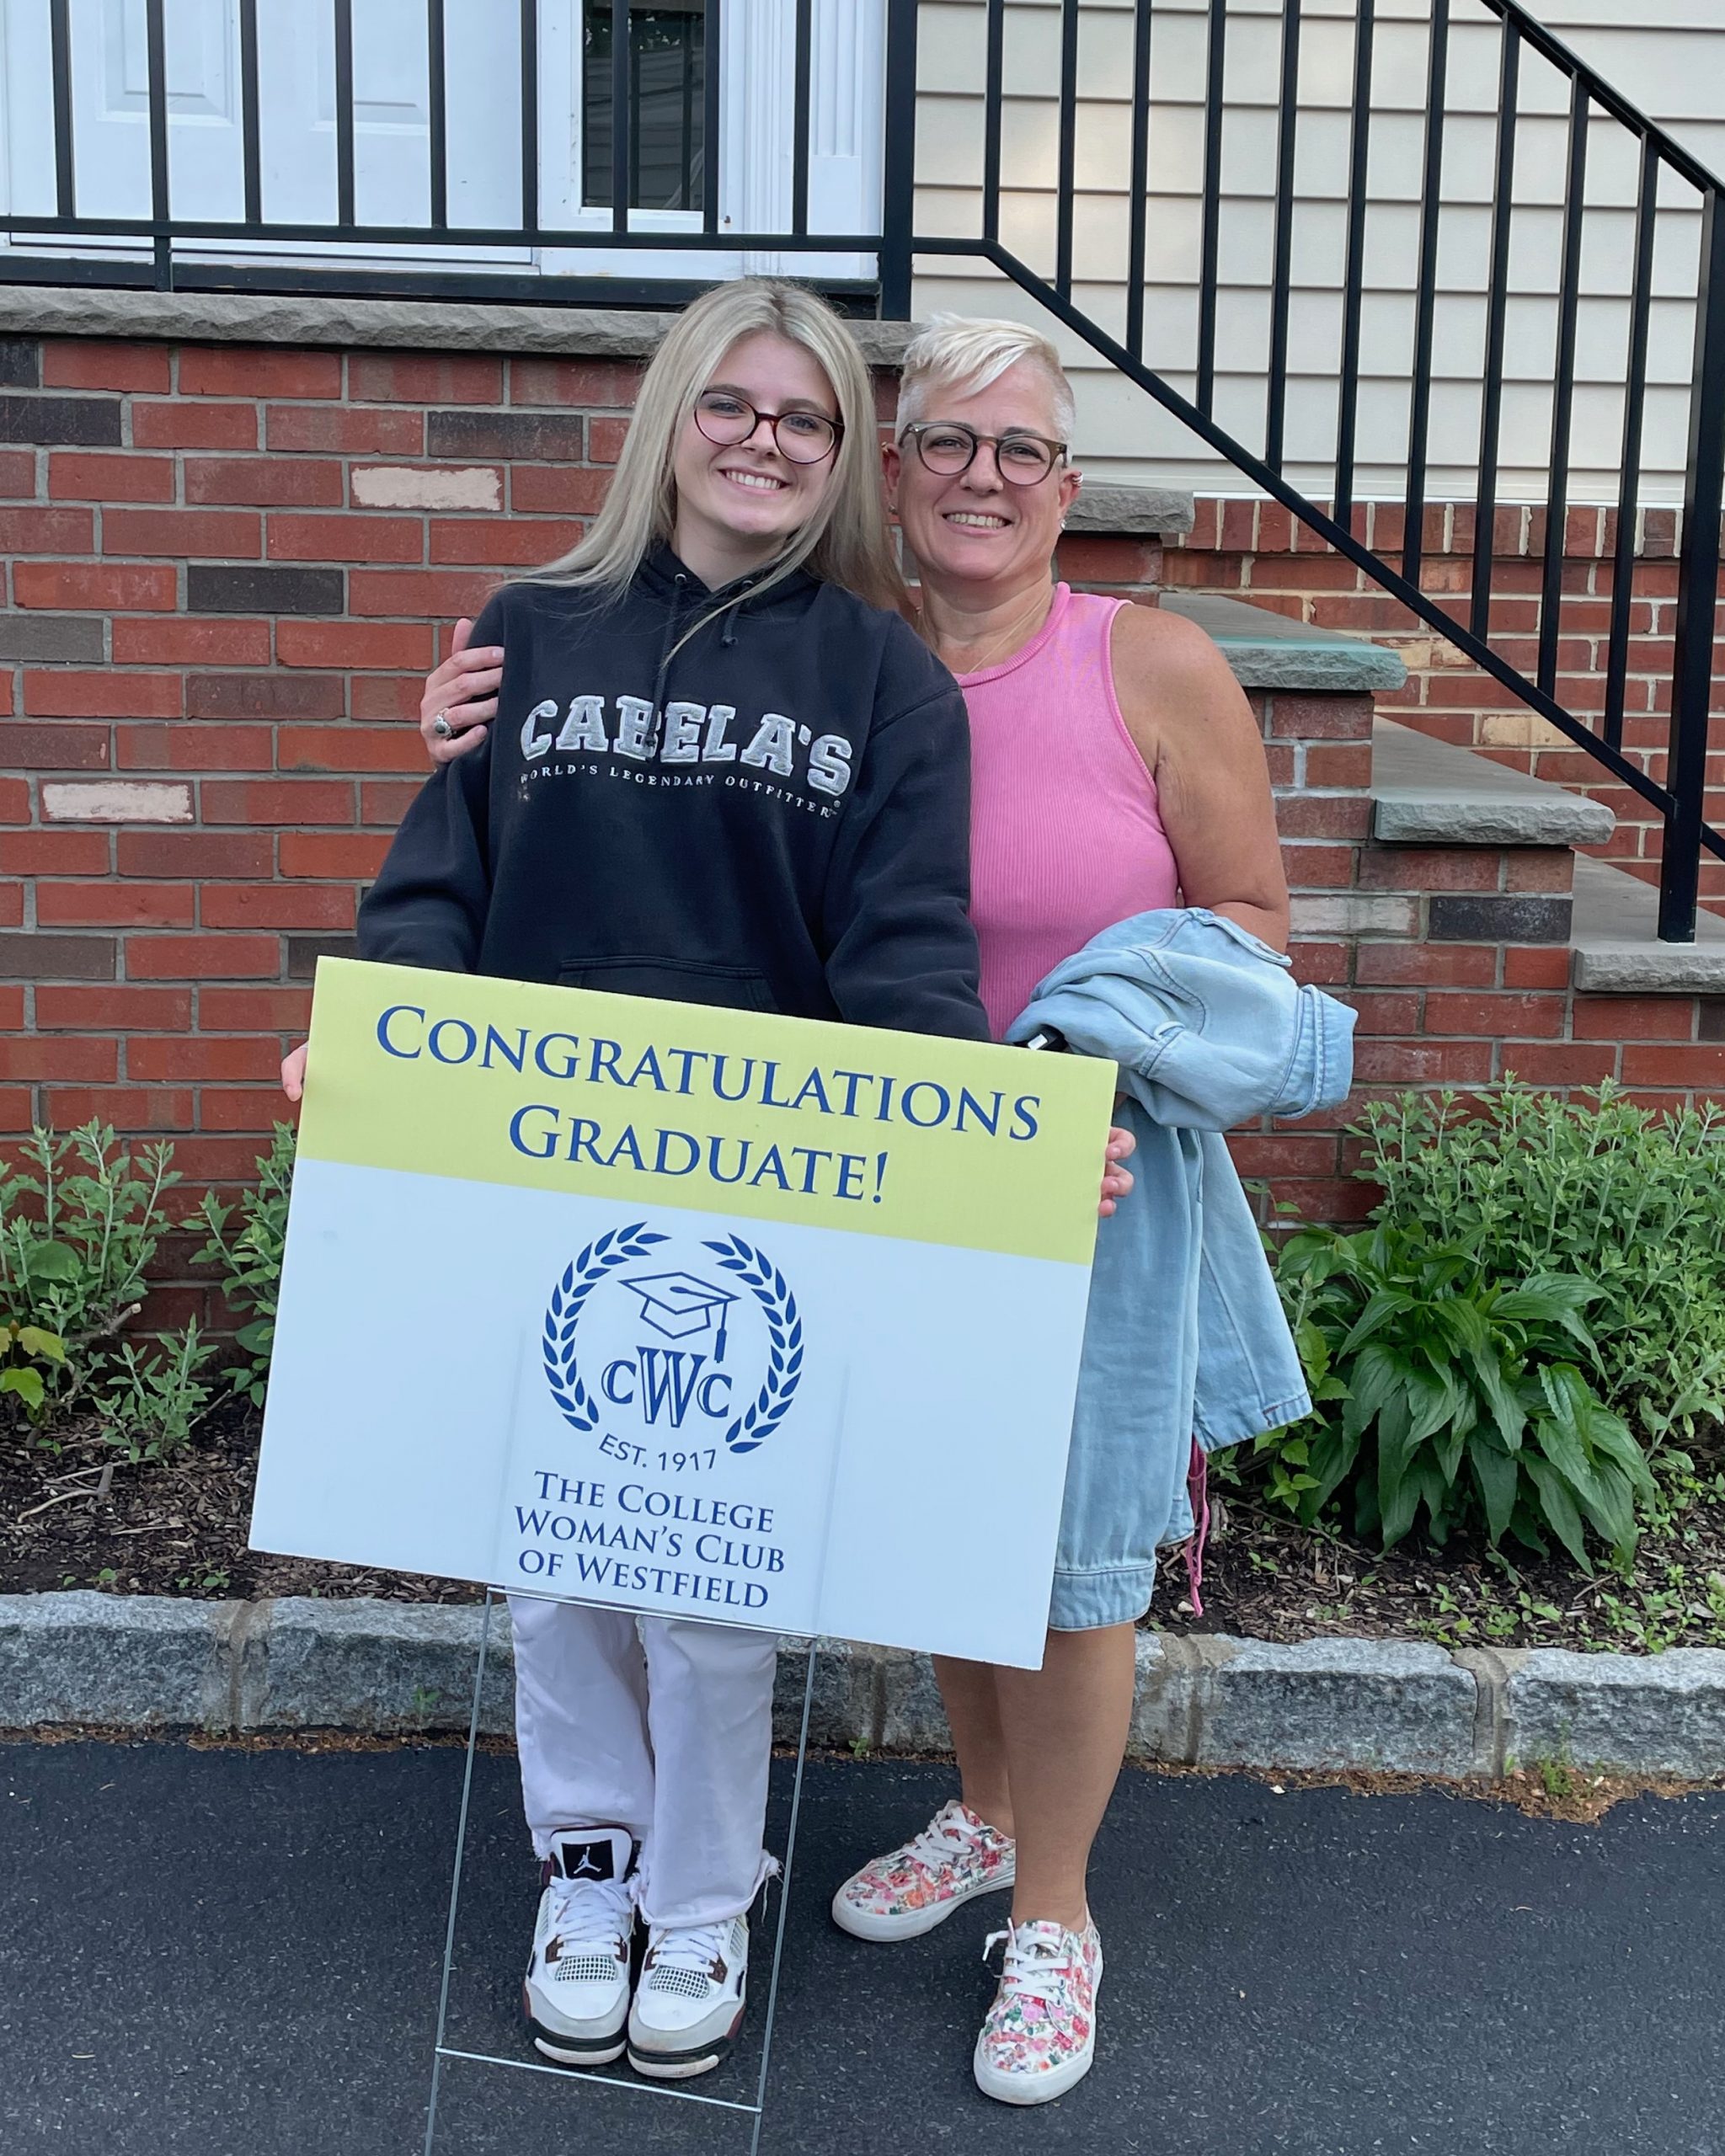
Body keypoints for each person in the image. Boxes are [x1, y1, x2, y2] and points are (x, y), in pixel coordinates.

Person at [409, 312, 1287, 2107]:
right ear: (897, 469)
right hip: (723, 1163)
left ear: (1065, 484)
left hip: (1025, 1157)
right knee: (870, 1528)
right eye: (947, 441)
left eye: (1022, 450)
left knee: (1010, 1561)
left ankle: (1011, 1910)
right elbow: (479, 860)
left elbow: (962, 941)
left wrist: (1026, 1106)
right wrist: (397, 981)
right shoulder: (696, 636)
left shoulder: (1090, 662)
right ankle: (877, 1827)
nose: (982, 476)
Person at [280, 277, 1043, 2086]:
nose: (765, 441)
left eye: (806, 419)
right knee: (551, 1565)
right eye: (734, 405)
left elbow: (907, 951)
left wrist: (981, 1154)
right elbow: (438, 890)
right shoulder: (529, 633)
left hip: (764, 1190)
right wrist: (377, 1058)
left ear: (839, 456)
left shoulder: (882, 677)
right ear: (671, 418)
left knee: (709, 1583)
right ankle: (587, 1871)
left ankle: (702, 1892)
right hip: (531, 1172)